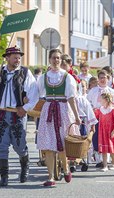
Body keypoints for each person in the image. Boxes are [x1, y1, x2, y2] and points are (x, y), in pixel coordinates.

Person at [0, 46, 39, 186]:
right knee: (1, 146)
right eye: (15, 57)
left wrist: (25, 108)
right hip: (1, 113)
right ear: (7, 58)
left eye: (19, 57)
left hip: (17, 114)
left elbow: (34, 94)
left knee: (20, 146)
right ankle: (4, 176)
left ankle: (25, 167)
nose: (18, 59)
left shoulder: (25, 73)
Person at [37, 49, 81, 187]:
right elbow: (37, 94)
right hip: (48, 110)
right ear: (49, 60)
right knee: (49, 146)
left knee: (62, 144)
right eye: (53, 58)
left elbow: (72, 98)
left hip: (63, 110)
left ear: (61, 60)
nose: (56, 60)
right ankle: (50, 177)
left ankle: (66, 168)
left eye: (58, 58)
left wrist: (77, 116)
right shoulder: (43, 77)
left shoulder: (67, 77)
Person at [87, 70, 114, 168]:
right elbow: (88, 103)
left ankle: (110, 160)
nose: (102, 79)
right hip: (96, 117)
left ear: (108, 78)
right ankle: (99, 160)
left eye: (104, 77)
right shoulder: (93, 91)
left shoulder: (112, 92)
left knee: (108, 140)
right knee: (96, 138)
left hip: (108, 119)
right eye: (100, 77)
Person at [94, 92, 114, 172]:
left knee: (111, 148)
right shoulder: (100, 109)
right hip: (103, 131)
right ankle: (105, 165)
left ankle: (113, 163)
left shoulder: (113, 110)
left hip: (110, 131)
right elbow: (95, 117)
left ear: (105, 100)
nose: (100, 100)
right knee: (104, 149)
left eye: (101, 99)